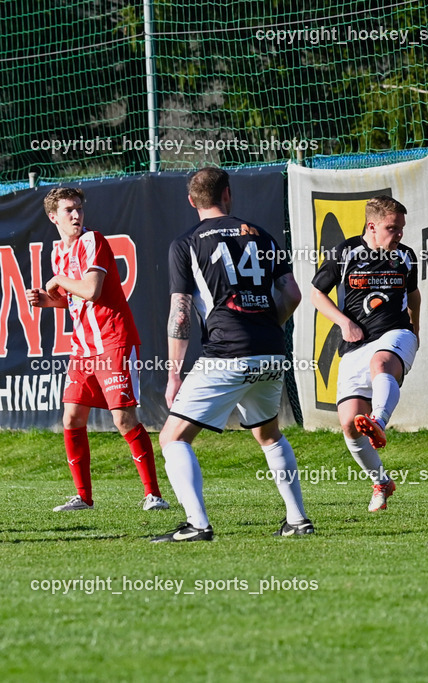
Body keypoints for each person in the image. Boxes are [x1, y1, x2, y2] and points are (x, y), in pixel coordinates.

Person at [152, 167, 312, 542]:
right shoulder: (262, 235)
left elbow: (180, 312)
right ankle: (297, 519)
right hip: (271, 350)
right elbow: (292, 294)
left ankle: (196, 525)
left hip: (226, 351)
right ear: (228, 195)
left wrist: (174, 373)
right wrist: (269, 325)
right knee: (269, 434)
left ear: (192, 201)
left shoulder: (187, 242)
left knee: (173, 438)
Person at [26, 187, 169, 512]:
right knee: (72, 417)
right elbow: (75, 300)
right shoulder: (57, 252)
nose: (76, 215)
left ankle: (154, 495)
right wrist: (49, 302)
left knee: (123, 419)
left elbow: (91, 289)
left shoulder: (94, 242)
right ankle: (84, 498)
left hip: (112, 339)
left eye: (78, 208)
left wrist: (58, 279)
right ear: (53, 217)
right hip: (83, 346)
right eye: (68, 210)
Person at [310, 196, 420, 512]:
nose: (398, 235)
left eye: (400, 229)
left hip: (395, 334)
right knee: (348, 424)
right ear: (371, 226)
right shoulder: (346, 253)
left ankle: (380, 422)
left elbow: (413, 295)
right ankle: (382, 482)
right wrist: (343, 322)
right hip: (356, 343)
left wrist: (417, 331)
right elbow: (317, 293)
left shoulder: (406, 256)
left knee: (381, 362)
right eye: (391, 228)